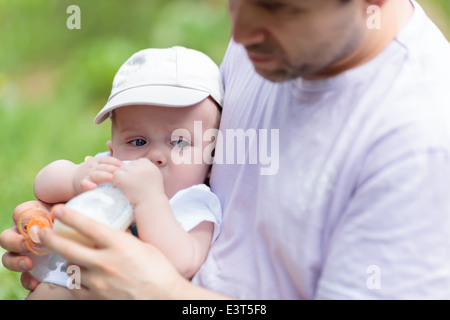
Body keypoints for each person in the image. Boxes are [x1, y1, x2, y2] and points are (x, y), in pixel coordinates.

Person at [2, 0, 450, 299]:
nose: (240, 30)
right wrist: (75, 216)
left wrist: (162, 293)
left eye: (278, 7)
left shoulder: (419, 144)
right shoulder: (269, 46)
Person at [15, 46, 224, 299]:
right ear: (113, 149)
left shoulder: (194, 203)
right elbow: (43, 185)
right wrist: (74, 178)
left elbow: (183, 262)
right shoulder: (111, 170)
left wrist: (149, 200)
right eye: (137, 142)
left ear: (210, 161)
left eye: (179, 142)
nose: (154, 155)